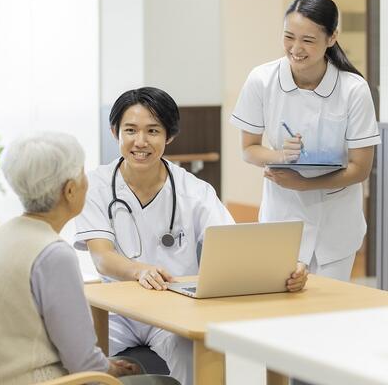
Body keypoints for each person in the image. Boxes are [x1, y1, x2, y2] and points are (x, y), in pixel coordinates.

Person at [74, 87, 308, 385]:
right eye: (130, 130)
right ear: (114, 131)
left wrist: (290, 268)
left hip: (175, 309)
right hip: (116, 313)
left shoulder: (194, 191)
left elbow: (234, 248)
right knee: (75, 361)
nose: (140, 142)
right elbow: (102, 257)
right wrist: (139, 271)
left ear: (169, 135)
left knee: (194, 355)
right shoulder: (95, 185)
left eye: (153, 131)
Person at [0, 132, 179, 385]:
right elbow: (83, 365)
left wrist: (105, 364)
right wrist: (113, 370)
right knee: (166, 383)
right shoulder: (53, 254)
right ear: (70, 190)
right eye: (82, 174)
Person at [231, 0, 380, 282]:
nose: (296, 49)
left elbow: (360, 169)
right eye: (289, 37)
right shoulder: (262, 79)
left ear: (332, 37)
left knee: (326, 317)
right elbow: (249, 149)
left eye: (308, 40)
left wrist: (304, 183)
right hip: (281, 221)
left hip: (336, 229)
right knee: (281, 317)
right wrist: (280, 157)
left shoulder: (353, 89)